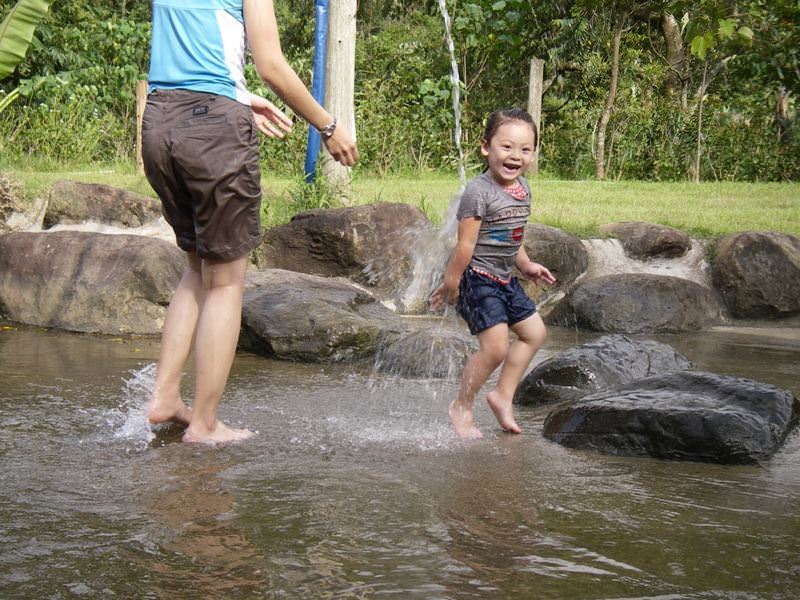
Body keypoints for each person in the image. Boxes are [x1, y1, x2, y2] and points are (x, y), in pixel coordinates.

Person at [143, 0, 358, 445]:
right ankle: (204, 423)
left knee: (195, 267)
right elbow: (271, 65)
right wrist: (327, 124)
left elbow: (192, 50)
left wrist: (236, 95)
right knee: (225, 281)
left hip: (160, 120)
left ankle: (165, 395)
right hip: (212, 131)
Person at [429, 108, 555, 439]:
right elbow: (465, 245)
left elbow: (513, 233)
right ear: (486, 148)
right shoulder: (478, 192)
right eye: (507, 147)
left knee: (534, 333)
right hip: (477, 279)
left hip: (504, 278)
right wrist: (451, 283)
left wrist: (525, 265)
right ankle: (462, 406)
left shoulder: (523, 189)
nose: (516, 156)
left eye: (525, 149)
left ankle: (502, 395)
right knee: (496, 348)